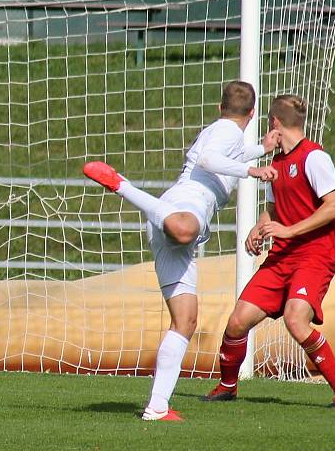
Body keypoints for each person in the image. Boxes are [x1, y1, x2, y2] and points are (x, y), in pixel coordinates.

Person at [83, 80, 279, 421]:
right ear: (252, 112)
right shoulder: (228, 132)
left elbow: (220, 157)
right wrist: (253, 169)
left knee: (186, 319)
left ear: (221, 107)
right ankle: (122, 185)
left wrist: (260, 149)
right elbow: (208, 159)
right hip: (187, 205)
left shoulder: (223, 131)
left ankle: (157, 406)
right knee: (185, 229)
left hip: (174, 214)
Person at [203, 94, 335, 408]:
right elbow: (274, 209)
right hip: (282, 257)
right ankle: (227, 387)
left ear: (274, 122)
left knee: (295, 318)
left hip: (315, 254)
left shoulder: (314, 157)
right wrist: (259, 227)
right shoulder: (277, 161)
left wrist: (288, 230)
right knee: (237, 321)